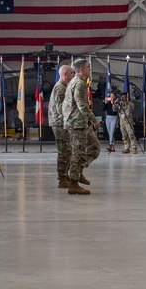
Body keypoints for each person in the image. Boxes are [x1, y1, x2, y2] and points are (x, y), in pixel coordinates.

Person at [62, 58, 100, 194]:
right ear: (81, 70)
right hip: (76, 124)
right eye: (88, 67)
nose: (90, 69)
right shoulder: (79, 84)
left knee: (95, 146)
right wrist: (94, 120)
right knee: (77, 153)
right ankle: (73, 184)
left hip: (78, 122)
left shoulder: (76, 82)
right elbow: (82, 106)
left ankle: (77, 172)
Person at [49, 65, 75, 188]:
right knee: (64, 150)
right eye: (71, 73)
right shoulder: (60, 88)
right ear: (64, 75)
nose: (73, 75)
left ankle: (64, 175)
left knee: (67, 150)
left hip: (63, 123)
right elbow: (61, 109)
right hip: (60, 123)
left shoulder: (64, 87)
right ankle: (63, 177)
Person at [116, 89, 138, 154]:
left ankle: (134, 147)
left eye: (124, 96)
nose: (123, 98)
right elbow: (114, 109)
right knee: (124, 135)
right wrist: (115, 103)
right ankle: (126, 148)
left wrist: (126, 102)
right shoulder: (120, 103)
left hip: (128, 121)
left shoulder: (130, 104)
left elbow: (132, 108)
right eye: (122, 97)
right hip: (122, 121)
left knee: (131, 134)